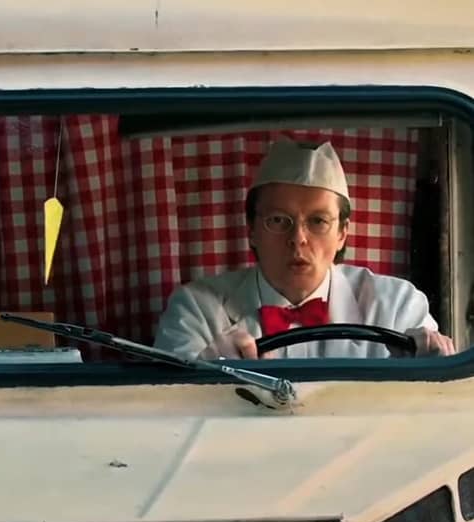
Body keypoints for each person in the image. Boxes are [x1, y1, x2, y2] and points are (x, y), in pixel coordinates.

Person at [153, 137, 456, 360]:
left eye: (318, 221)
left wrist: (434, 362)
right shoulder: (196, 309)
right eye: (278, 220)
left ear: (342, 234)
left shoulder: (397, 306)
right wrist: (204, 375)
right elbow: (167, 417)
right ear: (252, 231)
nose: (298, 238)